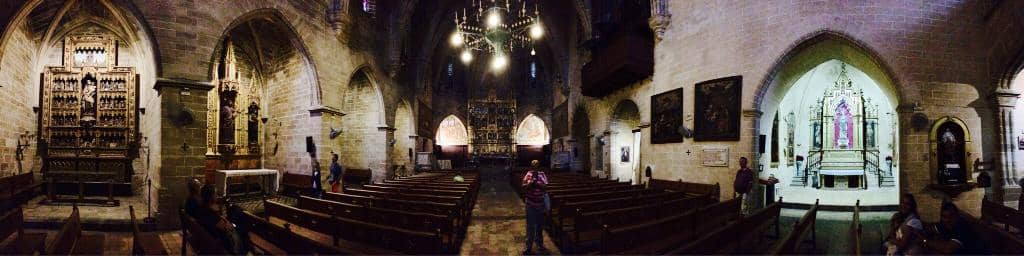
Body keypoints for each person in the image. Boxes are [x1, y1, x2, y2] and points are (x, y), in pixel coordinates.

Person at [919, 201, 988, 254]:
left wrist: (925, 241)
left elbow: (948, 248)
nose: (947, 220)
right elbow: (931, 228)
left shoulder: (962, 226)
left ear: (957, 216)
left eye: (951, 216)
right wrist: (922, 232)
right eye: (944, 216)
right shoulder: (944, 224)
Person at [521, 160, 548, 254]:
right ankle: (528, 246)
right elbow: (523, 186)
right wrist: (530, 183)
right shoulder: (528, 174)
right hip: (530, 204)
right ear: (531, 167)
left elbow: (545, 187)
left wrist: (538, 184)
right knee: (530, 226)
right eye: (533, 165)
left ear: (539, 166)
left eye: (536, 165)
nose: (535, 167)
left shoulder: (542, 174)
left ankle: (540, 243)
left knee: (540, 225)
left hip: (540, 204)